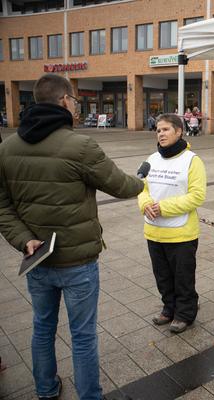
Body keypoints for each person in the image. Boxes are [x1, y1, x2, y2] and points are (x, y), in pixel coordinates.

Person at [0, 74, 144, 400]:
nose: (76, 107)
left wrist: (23, 239)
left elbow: (2, 205)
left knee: (42, 329)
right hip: (78, 263)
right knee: (82, 336)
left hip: (36, 258)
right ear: (65, 100)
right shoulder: (80, 145)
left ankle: (46, 391)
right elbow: (120, 186)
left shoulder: (6, 148)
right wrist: (142, 181)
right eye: (75, 101)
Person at [138, 114, 206, 334]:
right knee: (163, 277)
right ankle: (169, 309)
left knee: (183, 278)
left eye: (166, 129)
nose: (161, 134)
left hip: (182, 233)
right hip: (154, 232)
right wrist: (145, 204)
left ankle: (185, 314)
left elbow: (197, 196)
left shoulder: (192, 161)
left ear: (179, 131)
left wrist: (163, 207)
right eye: (158, 130)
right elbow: (143, 189)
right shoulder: (151, 159)